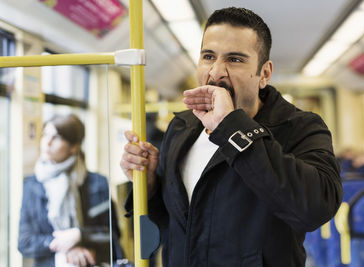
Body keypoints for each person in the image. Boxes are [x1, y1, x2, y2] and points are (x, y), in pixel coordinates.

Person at [120, 7, 343, 267]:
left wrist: (231, 126)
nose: (216, 72)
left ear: (264, 74)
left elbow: (316, 209)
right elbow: (173, 222)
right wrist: (149, 186)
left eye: (235, 59)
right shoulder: (181, 126)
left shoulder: (300, 128)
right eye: (208, 56)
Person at [18, 114, 122, 267]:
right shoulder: (32, 185)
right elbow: (24, 242)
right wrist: (66, 247)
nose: (47, 142)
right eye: (45, 135)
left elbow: (112, 235)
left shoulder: (97, 183)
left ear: (74, 147)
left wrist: (79, 235)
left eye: (56, 137)